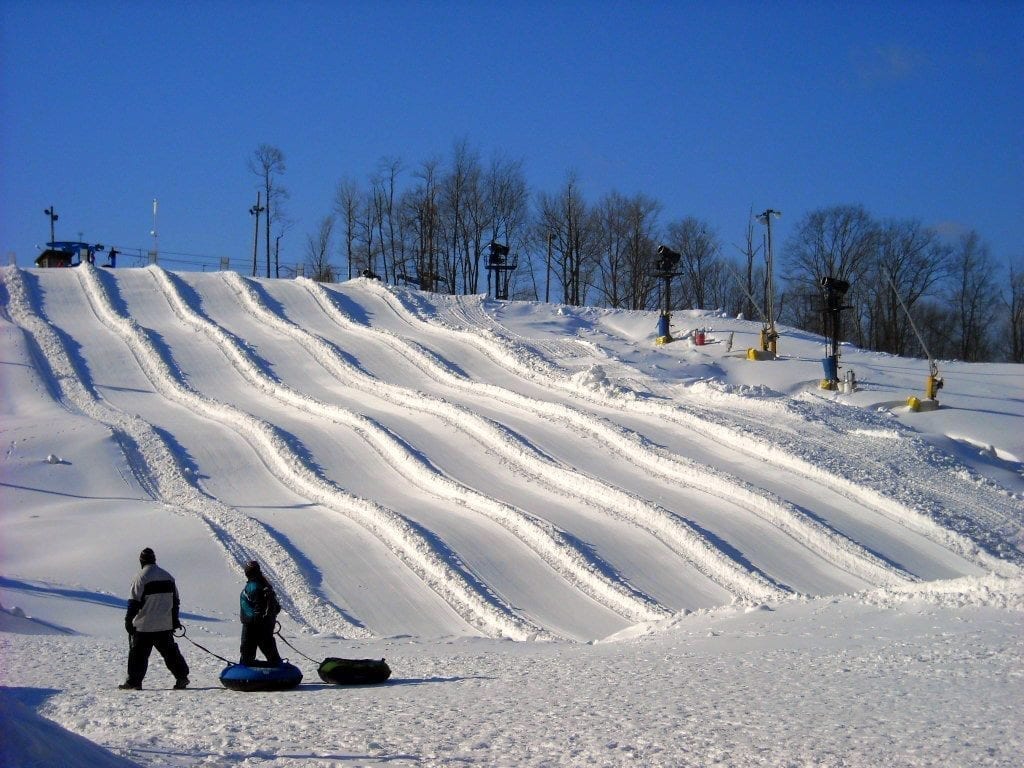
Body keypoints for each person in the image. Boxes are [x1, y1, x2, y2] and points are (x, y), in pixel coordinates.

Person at [119, 548, 190, 690]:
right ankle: (182, 677)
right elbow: (175, 601)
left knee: (138, 655)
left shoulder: (140, 577)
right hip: (164, 624)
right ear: (154, 560)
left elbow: (134, 602)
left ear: (141, 561)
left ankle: (134, 682)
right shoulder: (168, 576)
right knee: (170, 653)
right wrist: (174, 620)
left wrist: (128, 621)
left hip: (144, 625)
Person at [239, 560, 282, 666]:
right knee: (267, 645)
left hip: (253, 623)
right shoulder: (263, 584)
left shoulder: (253, 586)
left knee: (248, 647)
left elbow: (260, 604)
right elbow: (276, 607)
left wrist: (258, 618)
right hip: (264, 623)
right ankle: (276, 666)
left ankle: (247, 669)